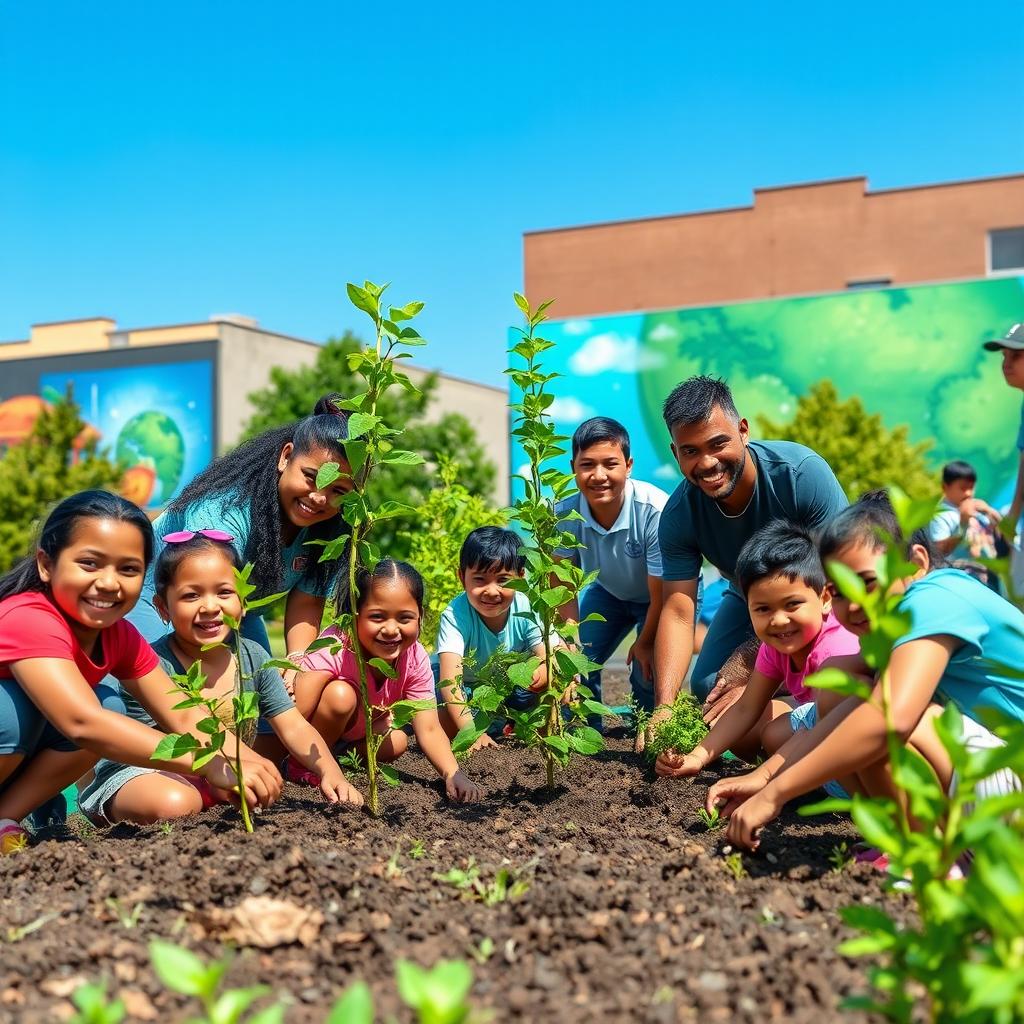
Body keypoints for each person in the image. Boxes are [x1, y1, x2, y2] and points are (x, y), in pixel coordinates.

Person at [708, 491, 1024, 852]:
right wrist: (765, 779)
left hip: (1011, 787)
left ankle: (929, 854)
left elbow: (889, 719)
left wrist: (776, 794)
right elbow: (831, 719)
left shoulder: (937, 599)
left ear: (916, 563)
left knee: (870, 711)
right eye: (840, 592)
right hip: (988, 780)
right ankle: (904, 842)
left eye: (868, 582)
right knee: (839, 684)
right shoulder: (895, 627)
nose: (854, 604)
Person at [0, 491, 281, 853]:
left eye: (128, 569)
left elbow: (182, 714)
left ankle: (5, 817)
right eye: (89, 563)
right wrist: (209, 761)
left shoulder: (118, 636)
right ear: (46, 564)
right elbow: (81, 722)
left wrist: (248, 763)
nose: (109, 582)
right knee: (14, 712)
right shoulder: (29, 617)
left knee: (108, 706)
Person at [78, 532, 361, 824]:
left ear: (244, 602)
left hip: (218, 771)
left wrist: (330, 772)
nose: (210, 606)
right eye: (191, 595)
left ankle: (211, 794)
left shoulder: (253, 658)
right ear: (163, 608)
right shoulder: (154, 664)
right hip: (140, 772)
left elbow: (293, 726)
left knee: (252, 786)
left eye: (224, 592)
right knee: (177, 803)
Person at [643, 376, 848, 746]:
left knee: (820, 668)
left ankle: (805, 717)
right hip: (746, 596)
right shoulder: (679, 515)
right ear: (676, 454)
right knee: (711, 689)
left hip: (819, 598)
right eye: (690, 451)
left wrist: (754, 657)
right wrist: (664, 709)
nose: (707, 463)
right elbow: (677, 609)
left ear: (743, 431)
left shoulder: (801, 475)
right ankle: (774, 716)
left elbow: (842, 574)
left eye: (718, 443)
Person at [129, 394, 354, 657]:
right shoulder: (224, 508)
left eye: (338, 489)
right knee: (171, 682)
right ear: (286, 457)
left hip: (234, 611)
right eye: (310, 477)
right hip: (160, 599)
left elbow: (306, 601)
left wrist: (297, 664)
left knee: (269, 689)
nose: (319, 497)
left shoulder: (327, 531)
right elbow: (201, 595)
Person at [654, 521, 860, 777]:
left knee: (778, 736)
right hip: (826, 726)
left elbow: (837, 728)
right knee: (754, 729)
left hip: (866, 739)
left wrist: (763, 783)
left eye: (793, 604)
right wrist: (697, 757)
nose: (779, 620)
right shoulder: (776, 645)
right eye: (763, 609)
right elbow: (745, 708)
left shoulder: (836, 651)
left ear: (825, 599)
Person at [291, 559, 483, 803]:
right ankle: (302, 765)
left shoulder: (414, 657)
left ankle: (337, 758)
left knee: (397, 741)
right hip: (311, 733)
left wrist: (453, 773)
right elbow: (295, 714)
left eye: (405, 618)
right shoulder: (335, 646)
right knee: (340, 696)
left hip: (354, 736)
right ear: (354, 615)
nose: (392, 629)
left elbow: (430, 728)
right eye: (377, 617)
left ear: (420, 616)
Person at [555, 417, 669, 721]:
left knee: (649, 670)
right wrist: (568, 646)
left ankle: (648, 730)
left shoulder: (654, 511)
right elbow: (562, 590)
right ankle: (587, 737)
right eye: (587, 465)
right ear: (573, 467)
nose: (598, 475)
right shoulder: (564, 516)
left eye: (610, 464)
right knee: (577, 663)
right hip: (610, 593)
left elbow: (663, 593)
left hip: (661, 598)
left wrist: (644, 643)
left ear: (628, 466)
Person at [433, 527, 550, 747]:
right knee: (443, 716)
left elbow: (550, 652)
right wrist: (471, 734)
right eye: (480, 579)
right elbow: (450, 682)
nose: (492, 590)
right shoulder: (455, 616)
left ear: (521, 577)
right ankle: (480, 728)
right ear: (462, 577)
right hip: (464, 690)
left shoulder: (526, 605)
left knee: (546, 684)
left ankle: (516, 727)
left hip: (506, 688)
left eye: (503, 579)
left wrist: (544, 668)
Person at [929, 460, 1005, 589]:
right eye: (963, 488)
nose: (969, 493)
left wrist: (989, 511)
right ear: (945, 487)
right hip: (961, 582)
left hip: (989, 579)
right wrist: (963, 523)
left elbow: (1005, 536)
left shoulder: (978, 512)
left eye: (972, 487)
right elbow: (938, 552)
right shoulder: (941, 515)